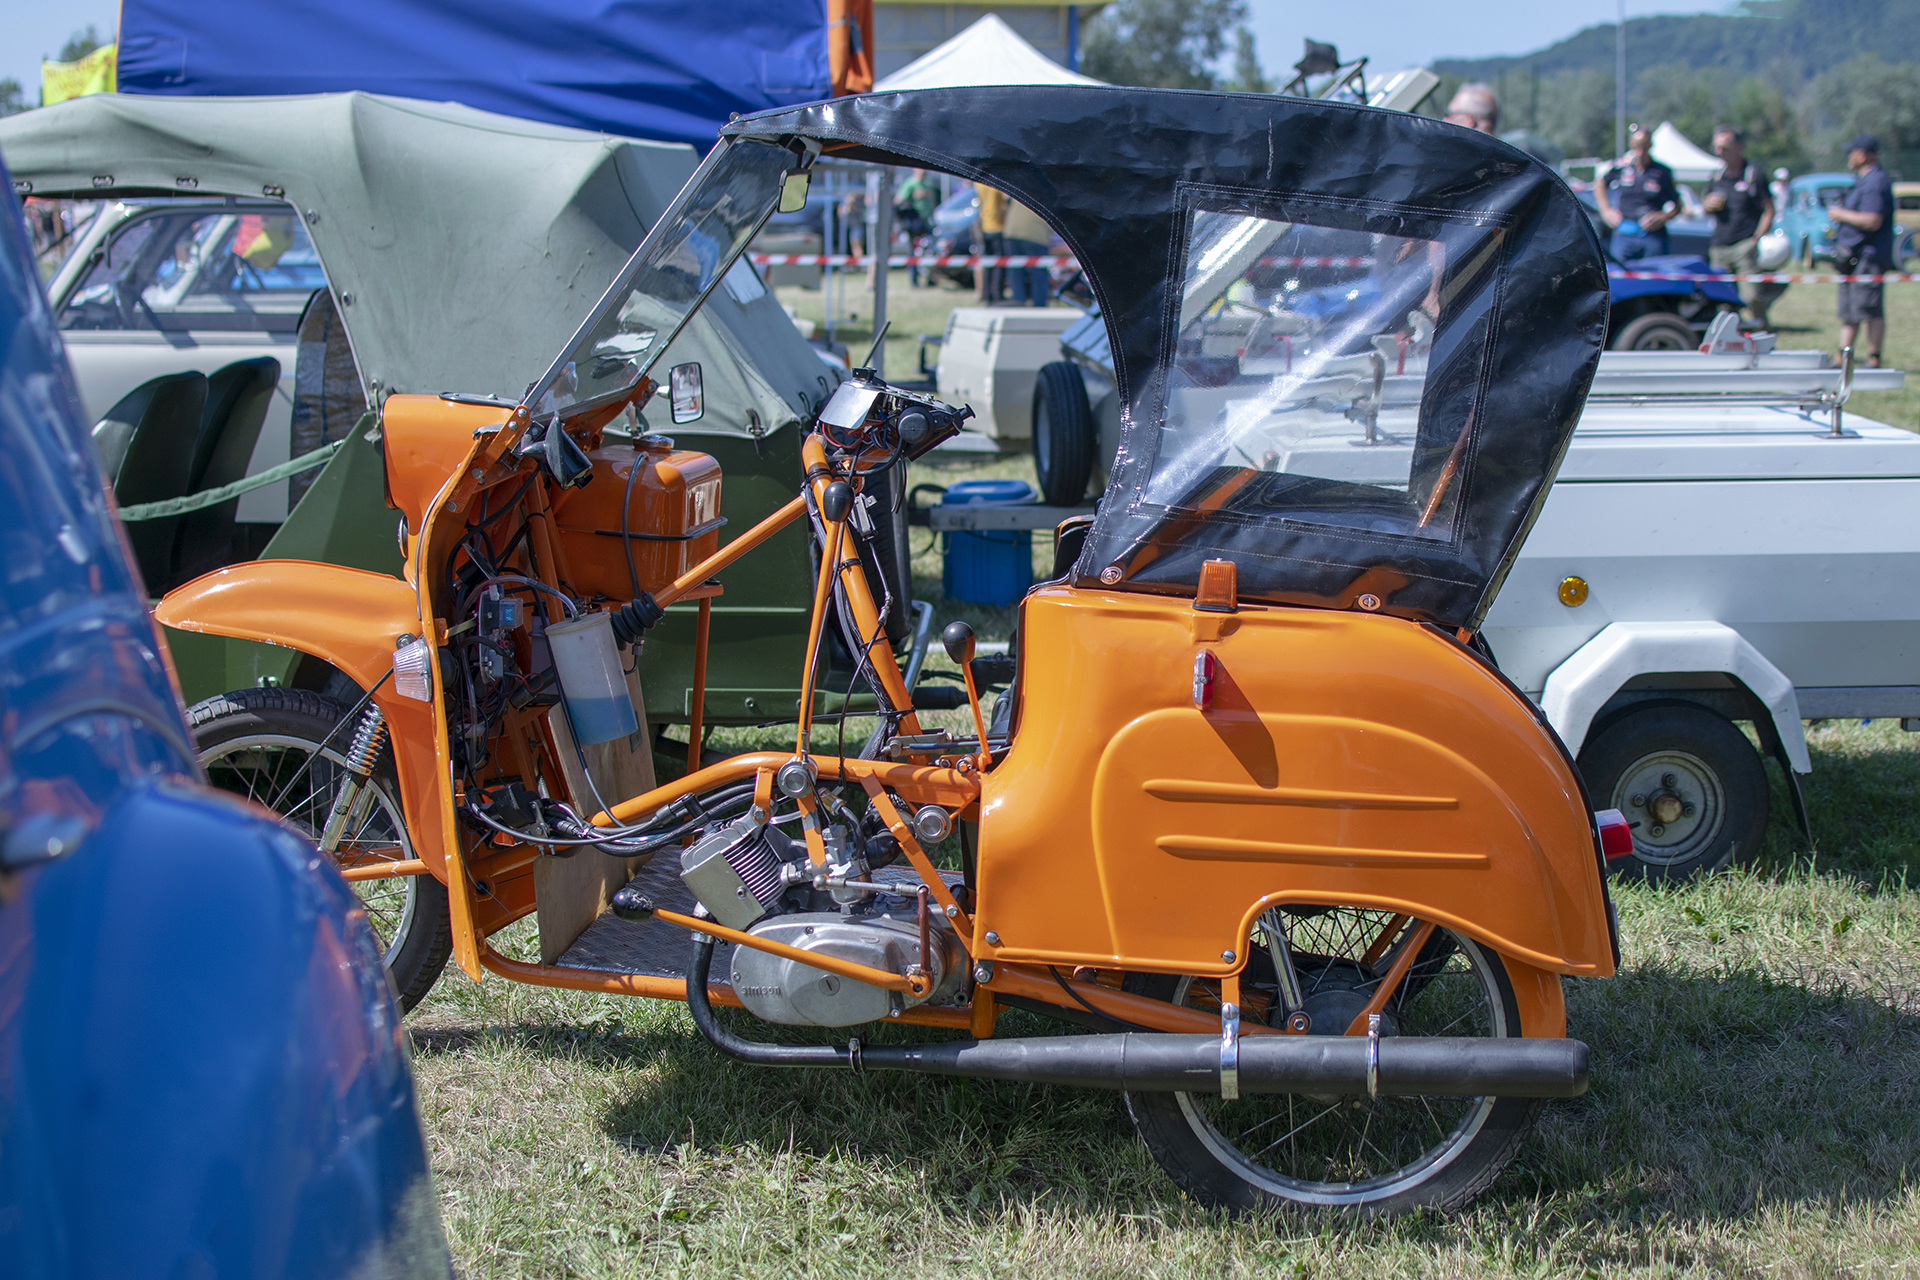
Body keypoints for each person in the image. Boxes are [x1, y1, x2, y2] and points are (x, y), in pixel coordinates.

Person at [1702, 125, 1785, 330]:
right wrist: (1707, 205)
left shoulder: (1753, 174)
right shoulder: (1716, 176)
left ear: (1738, 147)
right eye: (1717, 148)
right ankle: (1728, 341)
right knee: (1722, 302)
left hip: (1744, 246)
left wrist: (1755, 239)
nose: (1720, 152)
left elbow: (1769, 210)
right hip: (1719, 246)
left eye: (1725, 147)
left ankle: (1763, 335)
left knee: (1752, 296)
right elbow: (1704, 205)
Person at [1827, 133, 1894, 367]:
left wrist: (1840, 214)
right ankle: (1842, 356)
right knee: (1849, 310)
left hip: (1868, 256)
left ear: (1863, 154)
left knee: (1869, 308)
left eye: (1851, 152)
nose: (1848, 157)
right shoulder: (1864, 180)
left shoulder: (1875, 182)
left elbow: (1872, 220)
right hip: (1854, 256)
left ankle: (1874, 357)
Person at [1594, 127, 1679, 262]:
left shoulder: (1662, 172)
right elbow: (1599, 183)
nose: (1640, 151)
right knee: (1620, 277)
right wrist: (1605, 210)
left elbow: (1677, 206)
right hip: (1624, 233)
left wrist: (1662, 217)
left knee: (1653, 277)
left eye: (1644, 146)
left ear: (1650, 145)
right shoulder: (1622, 167)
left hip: (1652, 235)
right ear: (1631, 145)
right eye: (1636, 146)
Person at [1000, 198, 1052, 307]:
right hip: (1035, 234)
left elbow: (1005, 200)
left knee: (1015, 272)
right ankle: (1039, 306)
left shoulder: (1024, 183)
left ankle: (1018, 303)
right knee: (1039, 273)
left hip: (1012, 230)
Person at [894, 168, 936, 286]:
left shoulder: (928, 183)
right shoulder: (909, 184)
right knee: (913, 252)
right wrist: (912, 196)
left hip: (926, 222)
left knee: (929, 251)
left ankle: (930, 278)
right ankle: (914, 280)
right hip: (914, 224)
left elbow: (932, 201)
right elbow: (898, 201)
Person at [974, 180, 1006, 303]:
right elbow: (1003, 205)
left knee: (987, 263)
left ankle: (987, 294)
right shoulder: (998, 184)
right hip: (998, 227)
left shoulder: (978, 184)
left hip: (985, 226)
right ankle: (997, 294)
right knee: (999, 263)